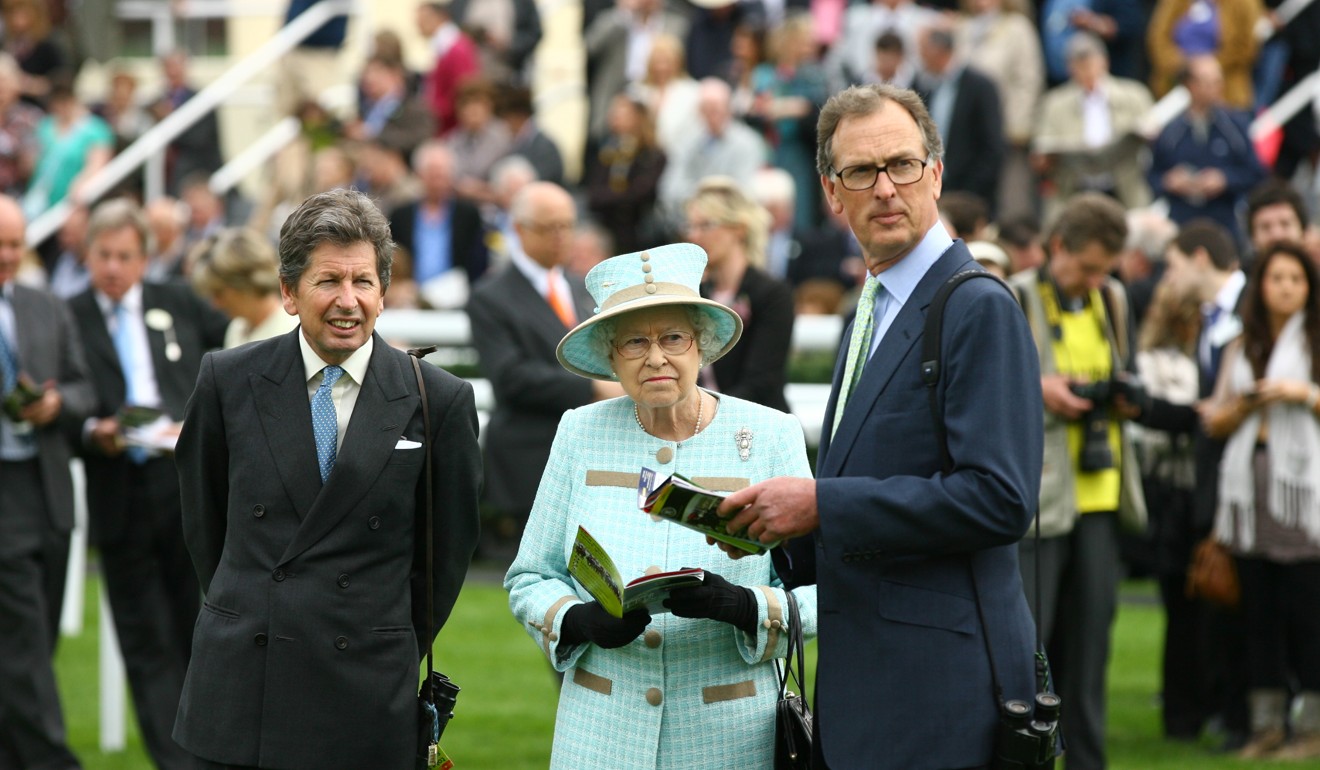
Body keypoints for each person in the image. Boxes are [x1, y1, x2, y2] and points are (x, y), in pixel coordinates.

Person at [719, 84, 1045, 768]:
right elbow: (866, 487)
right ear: (832, 194)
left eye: (902, 164)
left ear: (937, 172)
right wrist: (753, 536)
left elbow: (1000, 498)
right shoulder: (871, 305)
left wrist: (818, 505)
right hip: (873, 687)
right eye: (862, 172)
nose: (886, 188)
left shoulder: (978, 307)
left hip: (942, 696)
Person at [173, 188, 482, 769]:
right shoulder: (227, 379)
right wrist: (253, 608)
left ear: (384, 292)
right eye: (328, 281)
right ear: (288, 293)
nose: (348, 301)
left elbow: (446, 556)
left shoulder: (439, 399)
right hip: (246, 682)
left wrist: (378, 634)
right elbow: (203, 524)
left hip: (365, 685)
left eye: (363, 282)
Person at [504, 240, 817, 768]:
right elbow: (529, 577)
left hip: (731, 736)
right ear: (610, 356)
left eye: (673, 337)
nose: (656, 358)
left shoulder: (770, 435)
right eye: (633, 342)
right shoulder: (580, 432)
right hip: (601, 734)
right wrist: (579, 621)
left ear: (702, 345)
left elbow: (820, 591)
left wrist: (746, 608)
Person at [67, 198, 229, 770]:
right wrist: (93, 429)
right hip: (118, 492)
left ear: (145, 259)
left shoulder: (176, 301)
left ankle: (210, 751)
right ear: (87, 255)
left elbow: (233, 351)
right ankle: (175, 761)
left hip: (182, 489)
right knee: (144, 640)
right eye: (103, 255)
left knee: (198, 629)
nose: (112, 267)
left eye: (124, 256)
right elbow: (65, 398)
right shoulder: (69, 315)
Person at [1007, 193, 1149, 770]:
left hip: (1102, 491)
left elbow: (1125, 372)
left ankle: (1089, 761)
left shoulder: (1112, 299)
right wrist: (1041, 389)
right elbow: (989, 389)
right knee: (1027, 647)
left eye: (1104, 270)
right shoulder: (1012, 294)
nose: (1094, 280)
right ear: (1056, 246)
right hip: (1040, 497)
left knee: (1091, 650)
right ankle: (1022, 756)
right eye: (1087, 267)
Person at [1202, 241, 1320, 761]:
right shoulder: (1241, 345)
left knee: (1309, 611)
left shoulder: (1316, 342)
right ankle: (1267, 725)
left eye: (1297, 279)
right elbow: (1216, 419)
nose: (1287, 287)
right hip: (1248, 489)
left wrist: (1303, 394)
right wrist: (1247, 404)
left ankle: (1313, 728)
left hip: (1305, 492)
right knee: (1260, 614)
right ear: (1261, 286)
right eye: (1277, 278)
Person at [466, 182, 620, 558]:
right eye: (550, 227)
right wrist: (595, 389)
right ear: (519, 230)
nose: (562, 236)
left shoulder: (578, 285)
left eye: (568, 225)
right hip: (531, 453)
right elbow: (510, 378)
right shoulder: (491, 295)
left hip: (591, 450)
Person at [0, 194, 92, 770]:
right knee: (24, 639)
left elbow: (85, 391)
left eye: (15, 244)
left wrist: (56, 402)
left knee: (33, 642)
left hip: (48, 490)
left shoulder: (45, 306)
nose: (8, 256)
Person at [686, 177, 794, 413]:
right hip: (699, 426)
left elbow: (761, 382)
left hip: (758, 427)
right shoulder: (695, 294)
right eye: (691, 226)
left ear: (738, 229)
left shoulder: (772, 294)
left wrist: (706, 415)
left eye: (705, 225)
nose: (694, 236)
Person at [1147, 55, 1265, 245]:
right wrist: (1169, 181)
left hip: (1224, 223)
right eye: (1207, 82)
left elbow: (1257, 172)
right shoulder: (1171, 130)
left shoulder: (1234, 126)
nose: (1216, 88)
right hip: (1181, 222)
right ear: (1189, 85)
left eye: (1218, 81)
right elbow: (1152, 175)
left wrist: (1225, 179)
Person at [189, 227, 301, 349]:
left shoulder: (292, 332)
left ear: (245, 284)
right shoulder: (236, 328)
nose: (216, 304)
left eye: (219, 293)